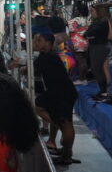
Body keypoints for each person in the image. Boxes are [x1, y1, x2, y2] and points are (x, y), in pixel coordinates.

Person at [32, 30, 78, 164]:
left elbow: (33, 69)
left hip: (63, 93)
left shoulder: (49, 56)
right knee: (41, 106)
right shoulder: (44, 56)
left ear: (48, 43)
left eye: (39, 40)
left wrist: (21, 66)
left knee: (65, 123)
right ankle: (66, 153)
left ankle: (67, 153)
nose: (36, 43)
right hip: (59, 92)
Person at [84, 4, 112, 97]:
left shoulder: (102, 22)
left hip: (99, 47)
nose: (91, 13)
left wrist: (88, 34)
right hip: (98, 46)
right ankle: (104, 90)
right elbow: (88, 33)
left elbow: (89, 33)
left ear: (98, 11)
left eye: (92, 10)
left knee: (97, 69)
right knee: (100, 69)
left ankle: (104, 91)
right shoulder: (99, 21)